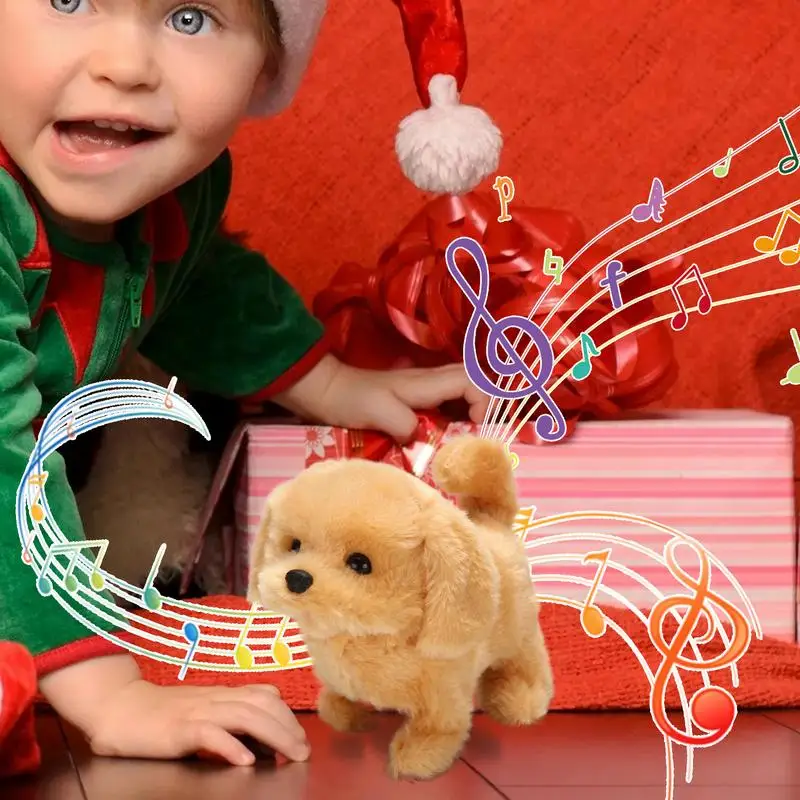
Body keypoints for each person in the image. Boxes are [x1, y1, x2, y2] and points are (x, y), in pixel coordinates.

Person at [0, 0, 500, 770]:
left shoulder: (174, 189)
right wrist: (106, 691)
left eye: (192, 17)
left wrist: (328, 383)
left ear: (265, 69)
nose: (125, 65)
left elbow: (196, 286)